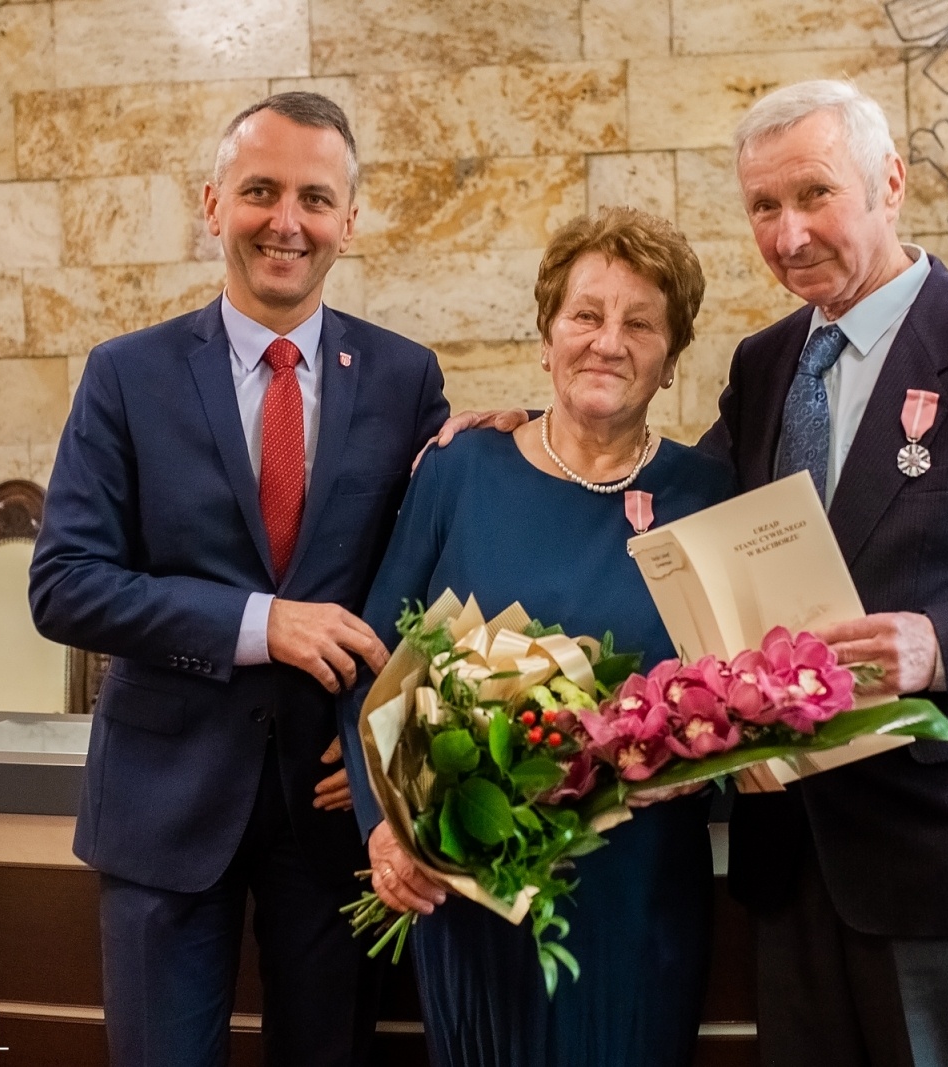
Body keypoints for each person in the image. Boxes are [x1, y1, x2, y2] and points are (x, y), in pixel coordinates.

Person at [438, 81, 948, 1067]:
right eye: (763, 207)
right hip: (789, 856)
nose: (786, 235)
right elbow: (670, 495)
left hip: (937, 859)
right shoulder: (768, 361)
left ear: (890, 181)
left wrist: (939, 646)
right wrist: (532, 430)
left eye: (814, 195)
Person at [29, 92, 450, 1067]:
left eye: (314, 196)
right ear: (212, 204)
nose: (286, 221)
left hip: (337, 810)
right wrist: (262, 622)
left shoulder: (405, 379)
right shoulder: (123, 375)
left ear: (350, 219)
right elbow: (64, 583)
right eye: (260, 190)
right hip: (161, 814)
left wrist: (389, 744)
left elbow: (424, 585)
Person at [340, 206, 736, 1067]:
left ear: (671, 359)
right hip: (471, 895)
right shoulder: (459, 469)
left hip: (639, 898)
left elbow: (745, 704)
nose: (608, 340)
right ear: (547, 334)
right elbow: (374, 669)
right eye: (585, 315)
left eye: (640, 323)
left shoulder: (709, 493)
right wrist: (383, 830)